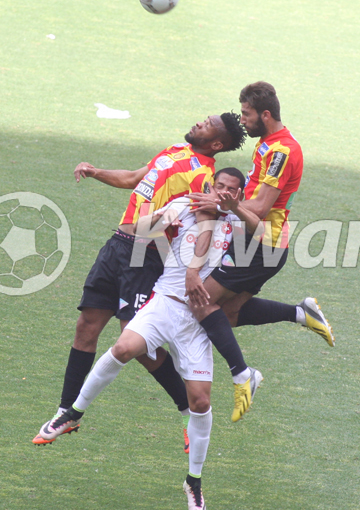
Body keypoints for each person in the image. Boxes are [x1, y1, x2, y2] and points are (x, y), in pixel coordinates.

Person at [38, 169, 250, 510]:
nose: (221, 193)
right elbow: (138, 229)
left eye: (230, 191)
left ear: (238, 195)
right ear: (210, 186)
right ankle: (73, 413)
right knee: (124, 347)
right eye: (218, 186)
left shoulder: (239, 222)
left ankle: (193, 482)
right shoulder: (185, 205)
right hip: (165, 302)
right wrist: (168, 216)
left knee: (200, 403)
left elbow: (267, 235)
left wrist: (227, 212)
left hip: (197, 319)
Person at [33, 112, 247, 446]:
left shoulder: (203, 177)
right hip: (117, 246)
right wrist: (96, 171)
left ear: (217, 143)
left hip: (146, 254)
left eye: (206, 125)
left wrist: (188, 266)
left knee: (134, 343)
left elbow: (202, 224)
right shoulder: (173, 151)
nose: (197, 123)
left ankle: (187, 412)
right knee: (86, 326)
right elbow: (135, 178)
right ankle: (66, 411)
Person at [185, 82, 335, 424]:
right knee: (230, 314)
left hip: (261, 245)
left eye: (248, 114)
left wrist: (218, 204)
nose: (243, 120)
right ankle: (301, 314)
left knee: (200, 301)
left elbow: (262, 205)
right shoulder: (269, 145)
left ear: (265, 115)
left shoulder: (281, 152)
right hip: (259, 243)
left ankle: (242, 375)